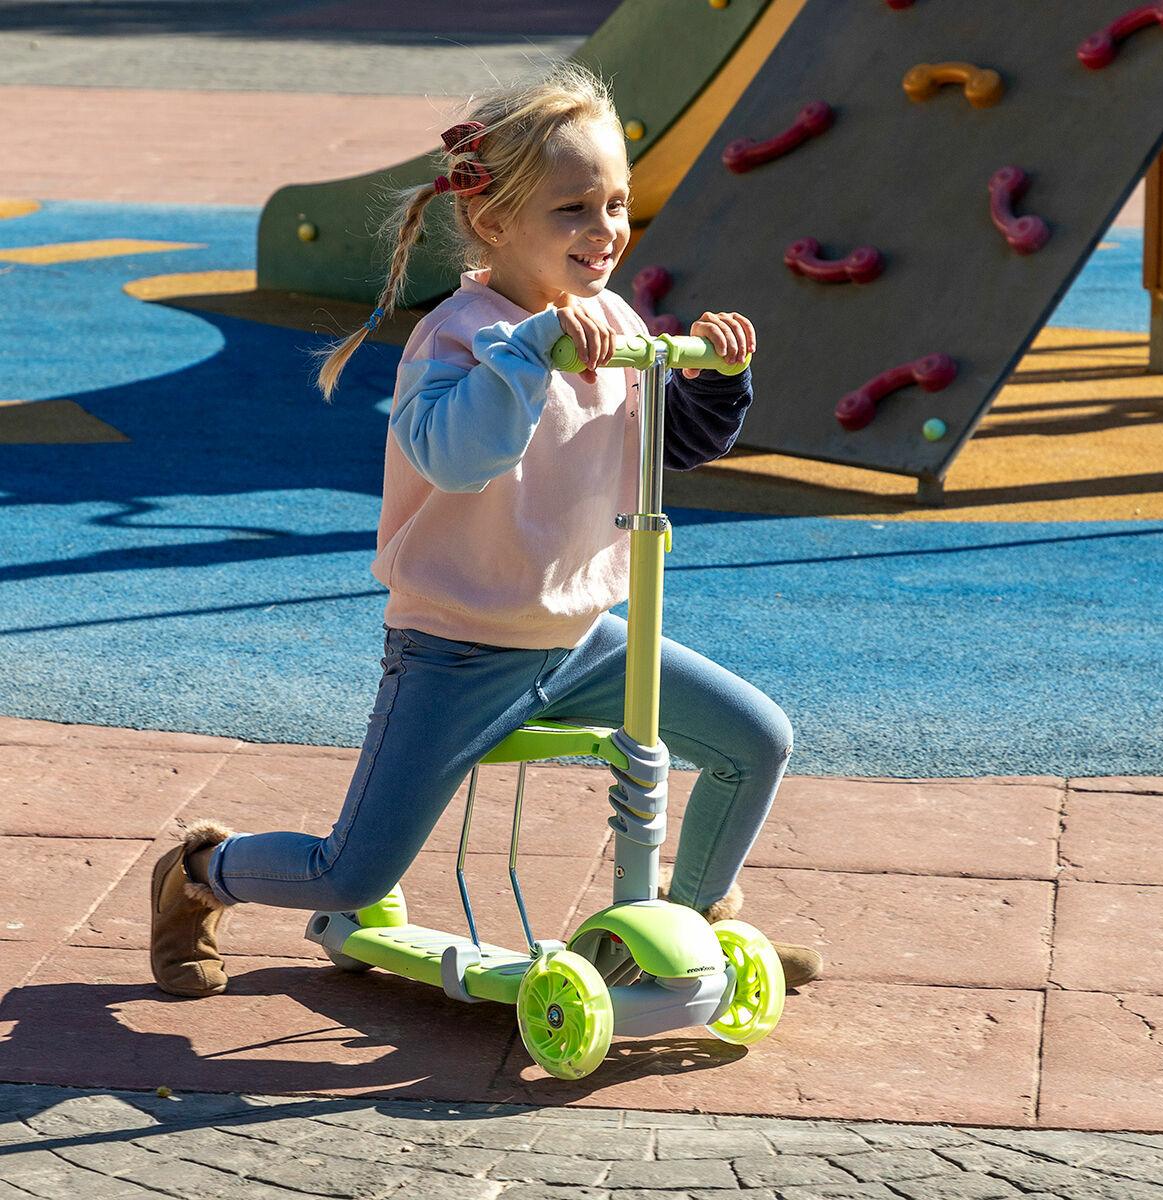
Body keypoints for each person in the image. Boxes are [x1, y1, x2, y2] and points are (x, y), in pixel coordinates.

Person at [149, 62, 822, 1000]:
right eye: (574, 209)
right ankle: (199, 871)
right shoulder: (459, 338)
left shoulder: (612, 319)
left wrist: (715, 379)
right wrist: (528, 356)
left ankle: (690, 923)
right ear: (495, 221)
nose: (606, 231)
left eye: (618, 204)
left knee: (758, 739)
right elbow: (460, 459)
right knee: (353, 875)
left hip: (583, 641)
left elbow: (670, 445)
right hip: (458, 648)